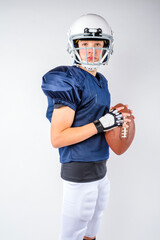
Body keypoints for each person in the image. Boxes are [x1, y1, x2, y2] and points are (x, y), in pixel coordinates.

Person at [41, 13, 132, 240]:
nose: (91, 49)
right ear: (75, 46)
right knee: (73, 231)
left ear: (107, 46)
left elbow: (105, 128)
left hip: (100, 166)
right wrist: (102, 124)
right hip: (79, 169)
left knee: (94, 223)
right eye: (85, 43)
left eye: (98, 43)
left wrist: (117, 122)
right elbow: (58, 138)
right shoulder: (68, 79)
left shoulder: (101, 81)